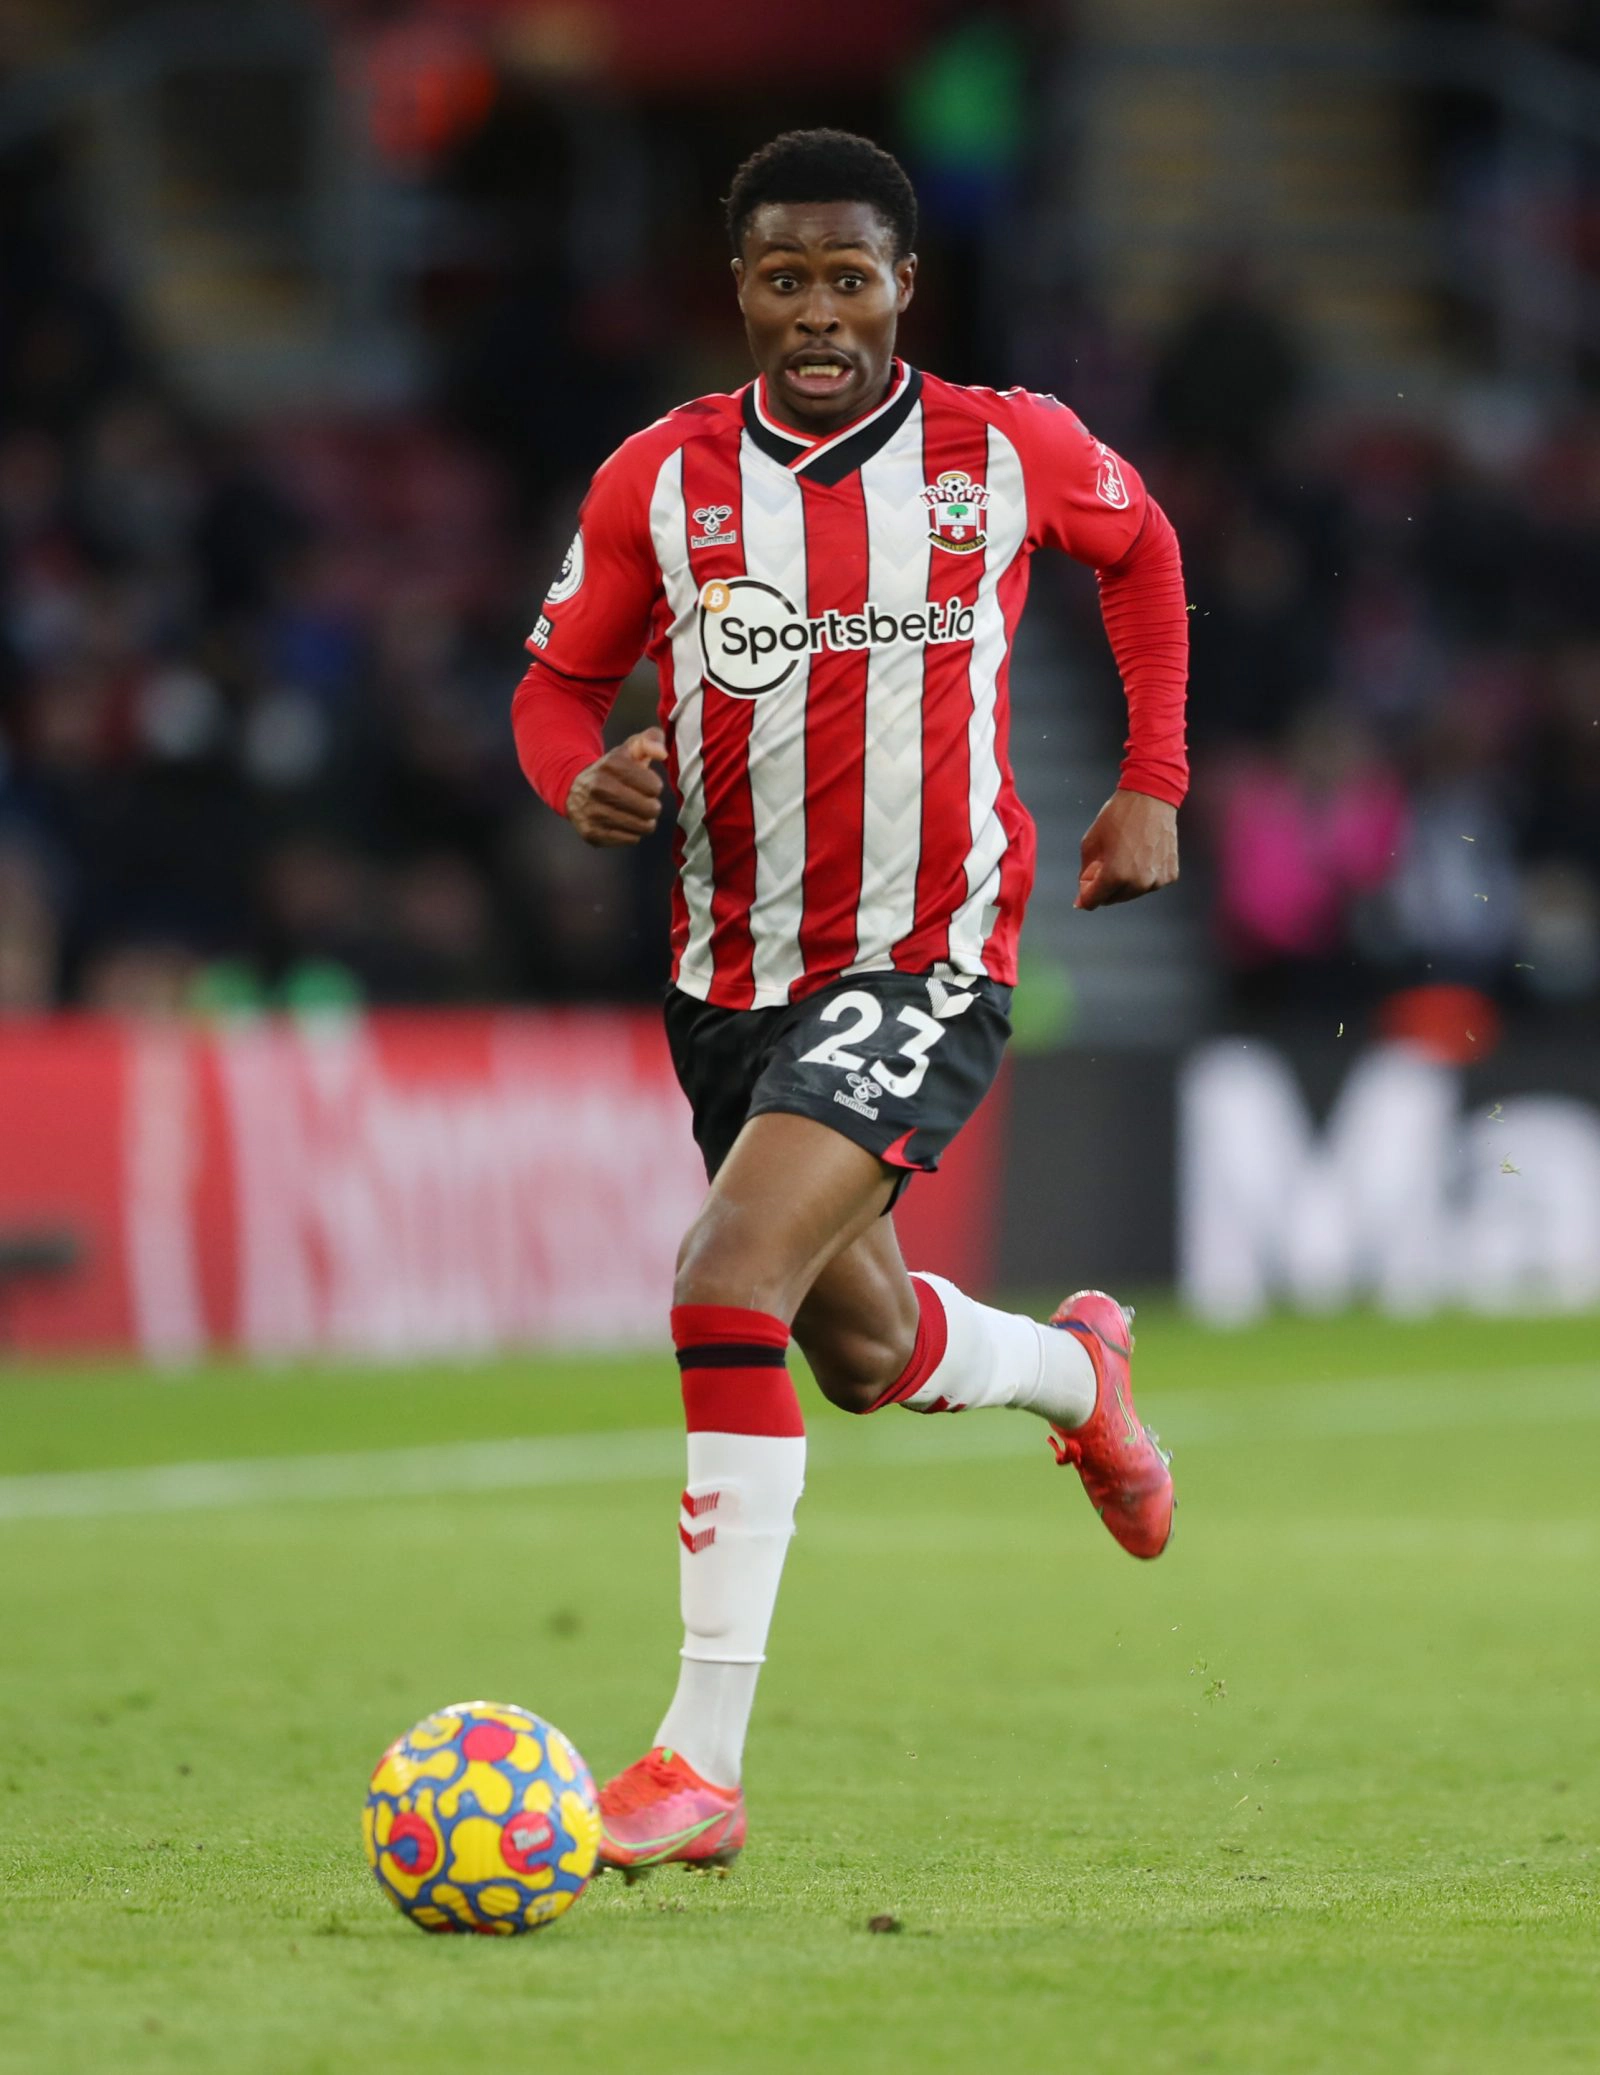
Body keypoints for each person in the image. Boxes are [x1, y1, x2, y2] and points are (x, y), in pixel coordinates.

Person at [512, 129, 1188, 1876]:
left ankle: (699, 1763)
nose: (817, 309)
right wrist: (581, 777)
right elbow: (557, 688)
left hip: (929, 950)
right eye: (783, 278)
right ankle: (1079, 1372)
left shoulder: (1005, 447)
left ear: (905, 287)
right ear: (740, 290)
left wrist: (1152, 777)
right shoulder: (657, 481)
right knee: (864, 1351)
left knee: (724, 1278)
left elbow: (1143, 551)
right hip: (726, 980)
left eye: (848, 277)